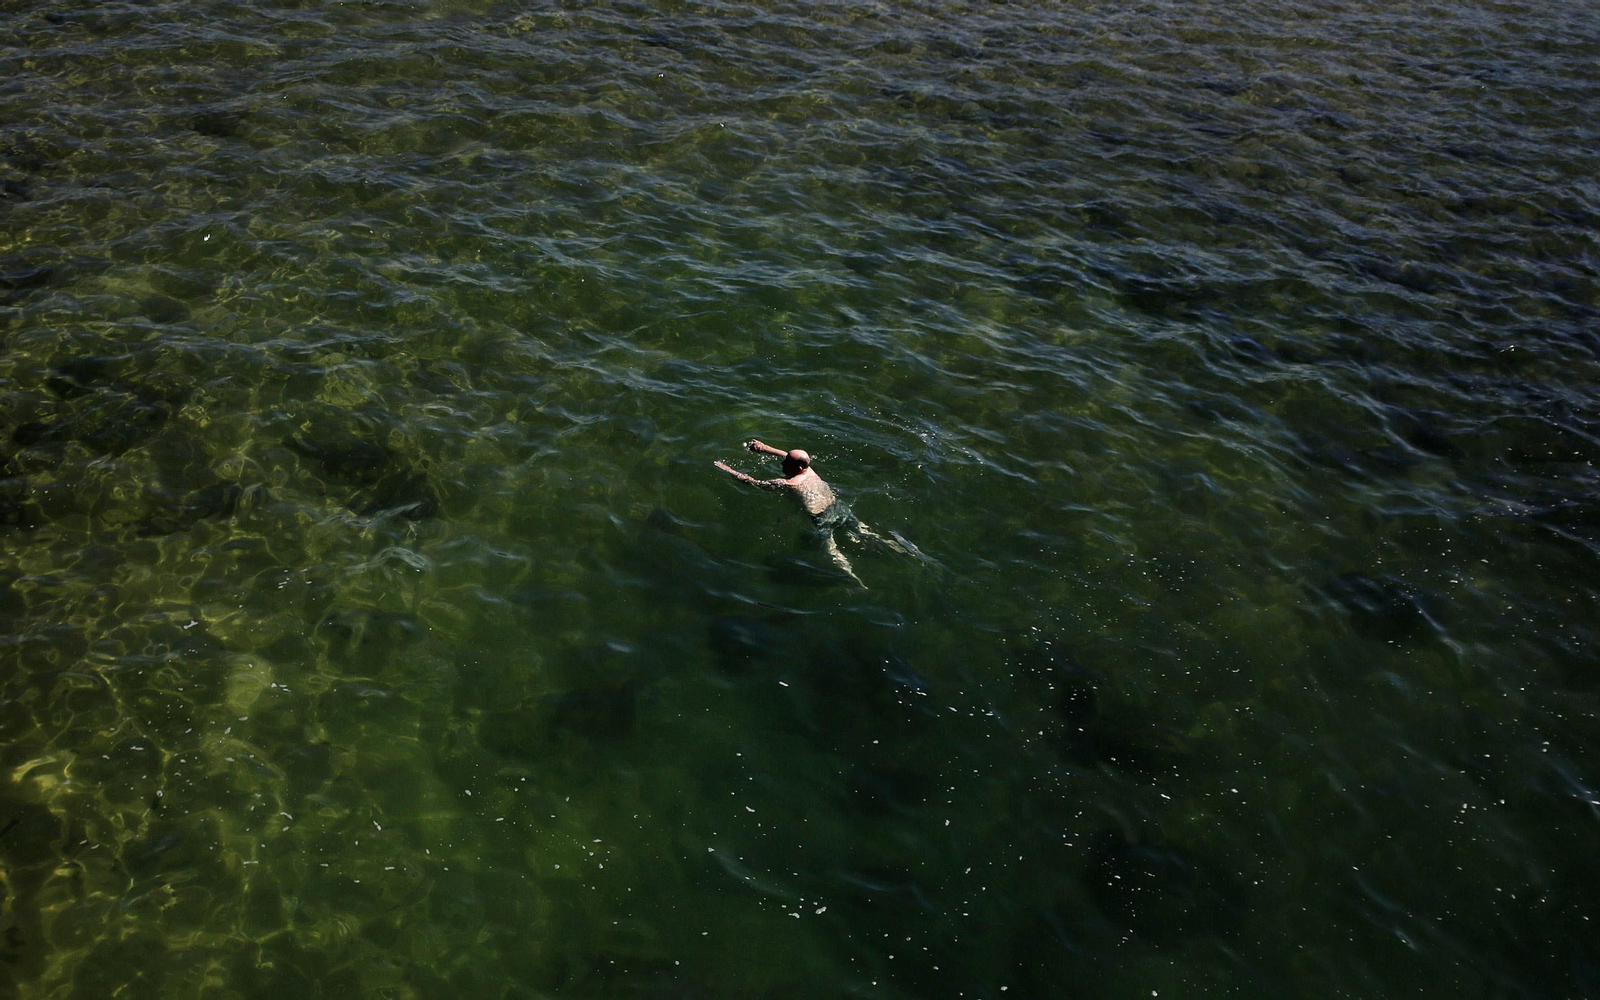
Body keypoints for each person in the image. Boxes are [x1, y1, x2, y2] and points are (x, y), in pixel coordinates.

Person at [714, 439, 909, 588]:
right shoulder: (809, 470)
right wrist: (765, 448)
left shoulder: (790, 483)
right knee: (866, 532)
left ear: (797, 467)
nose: (782, 465)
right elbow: (786, 455)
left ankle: (854, 579)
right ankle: (903, 551)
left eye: (786, 464)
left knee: (832, 551)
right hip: (838, 507)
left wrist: (728, 470)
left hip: (821, 518)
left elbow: (754, 483)